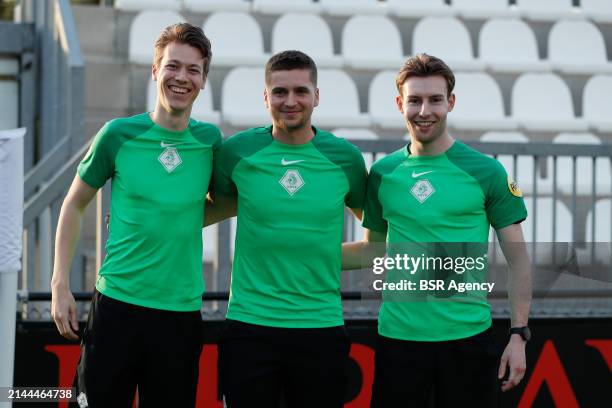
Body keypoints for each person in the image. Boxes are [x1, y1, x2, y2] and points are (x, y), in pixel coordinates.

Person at [343, 54, 532, 407]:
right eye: (414, 100)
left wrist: (519, 335)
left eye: (434, 99)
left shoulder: (486, 172)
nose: (424, 110)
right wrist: (302, 255)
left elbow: (518, 259)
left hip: (468, 341)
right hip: (398, 342)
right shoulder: (383, 173)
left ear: (451, 103)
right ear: (400, 104)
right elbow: (373, 250)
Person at [50, 23, 220, 407]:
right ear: (155, 70)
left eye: (193, 69)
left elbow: (222, 202)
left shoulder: (210, 142)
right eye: (173, 66)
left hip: (180, 316)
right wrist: (60, 283)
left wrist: (179, 219)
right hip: (116, 310)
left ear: (204, 79)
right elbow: (74, 203)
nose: (182, 77)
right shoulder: (118, 134)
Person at [206, 50, 367, 407]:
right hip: (249, 325)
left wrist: (319, 255)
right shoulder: (236, 153)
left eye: (301, 91)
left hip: (320, 327)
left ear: (316, 96)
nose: (290, 101)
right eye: (279, 92)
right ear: (265, 98)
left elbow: (375, 246)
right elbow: (207, 208)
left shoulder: (346, 160)